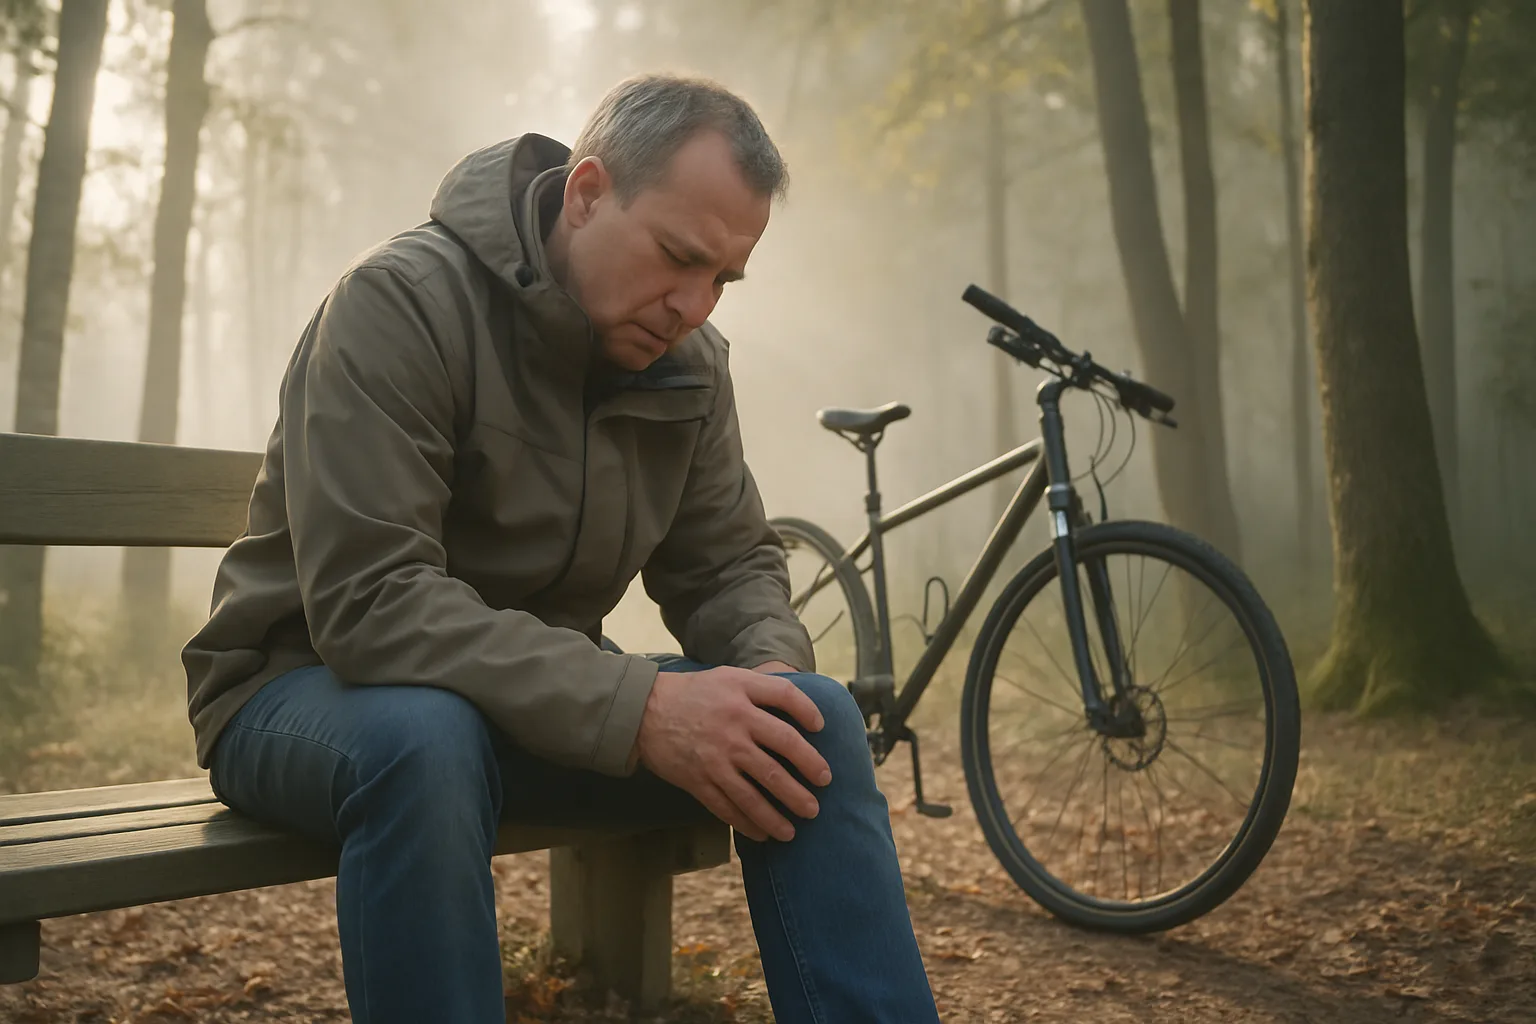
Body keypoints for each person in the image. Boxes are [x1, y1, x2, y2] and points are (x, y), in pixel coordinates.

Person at [182, 74, 941, 1023]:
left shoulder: (690, 367)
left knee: (810, 722)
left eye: (723, 279)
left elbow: (730, 567)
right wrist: (644, 708)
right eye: (678, 257)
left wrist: (768, 681)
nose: (694, 306)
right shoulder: (399, 304)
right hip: (303, 694)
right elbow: (373, 603)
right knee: (425, 736)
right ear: (586, 194)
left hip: (528, 712)